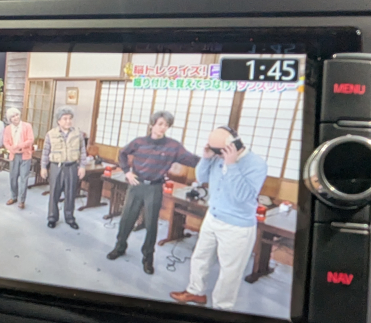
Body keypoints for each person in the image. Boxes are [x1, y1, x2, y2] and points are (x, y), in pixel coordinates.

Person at [170, 127, 267, 310]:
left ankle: (222, 308)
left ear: (232, 145)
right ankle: (196, 291)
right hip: (212, 216)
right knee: (200, 257)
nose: (217, 155)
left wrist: (231, 165)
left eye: (218, 151)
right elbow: (201, 178)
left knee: (230, 271)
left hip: (237, 226)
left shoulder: (256, 164)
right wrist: (206, 158)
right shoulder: (216, 157)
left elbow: (243, 196)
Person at [106, 111, 200, 275]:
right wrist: (127, 172)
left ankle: (148, 257)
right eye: (160, 124)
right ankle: (119, 247)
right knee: (127, 218)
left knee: (151, 225)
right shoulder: (139, 142)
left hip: (155, 188)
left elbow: (192, 160)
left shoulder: (173, 146)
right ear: (152, 125)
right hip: (136, 185)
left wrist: (210, 157)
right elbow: (122, 153)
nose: (163, 127)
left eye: (166, 125)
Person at [40, 106, 86, 229]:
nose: (68, 121)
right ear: (59, 121)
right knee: (54, 193)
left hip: (72, 167)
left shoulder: (78, 134)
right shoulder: (51, 134)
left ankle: (70, 218)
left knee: (70, 194)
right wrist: (43, 167)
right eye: (65, 118)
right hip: (56, 166)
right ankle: (52, 217)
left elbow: (83, 151)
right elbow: (45, 152)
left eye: (70, 118)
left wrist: (82, 166)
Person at [2, 107, 34, 209]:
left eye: (16, 115)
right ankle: (13, 196)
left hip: (25, 155)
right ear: (10, 119)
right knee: (13, 177)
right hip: (14, 155)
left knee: (24, 178)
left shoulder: (27, 126)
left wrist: (20, 146)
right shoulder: (7, 129)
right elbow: (5, 142)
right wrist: (12, 149)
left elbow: (30, 139)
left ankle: (22, 200)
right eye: (13, 116)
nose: (15, 118)